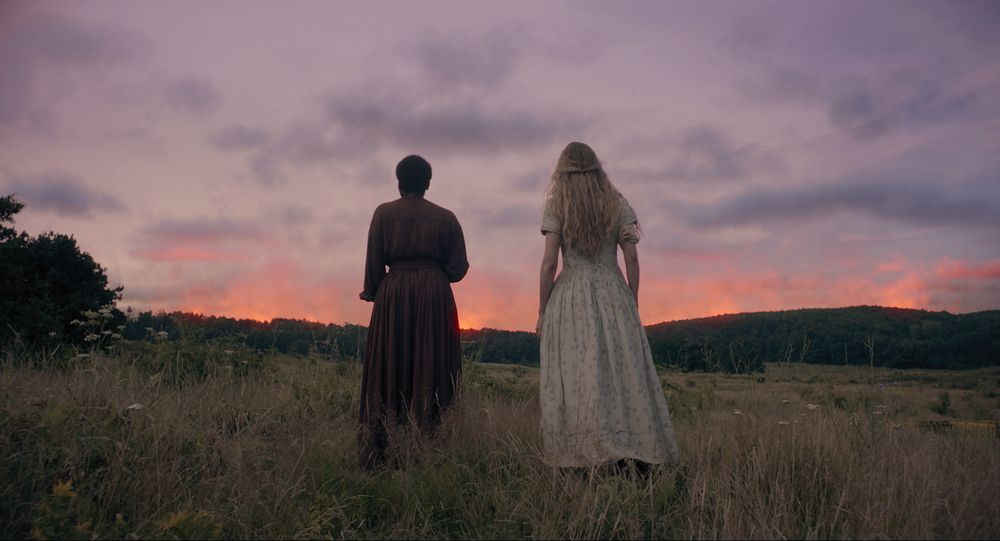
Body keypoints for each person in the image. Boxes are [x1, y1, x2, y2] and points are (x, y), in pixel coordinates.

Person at [536, 142, 678, 469]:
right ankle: (632, 448)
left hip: (570, 294)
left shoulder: (557, 205)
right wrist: (632, 299)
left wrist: (543, 310)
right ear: (597, 167)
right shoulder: (616, 202)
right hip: (613, 290)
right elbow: (631, 256)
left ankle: (581, 454)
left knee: (577, 372)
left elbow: (547, 265)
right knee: (620, 370)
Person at [358, 154, 469, 469]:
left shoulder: (383, 213)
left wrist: (375, 291)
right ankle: (432, 445)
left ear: (399, 181)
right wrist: (432, 275)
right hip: (435, 295)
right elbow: (458, 268)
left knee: (389, 363)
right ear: (428, 183)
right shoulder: (447, 218)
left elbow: (373, 265)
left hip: (393, 295)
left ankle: (382, 449)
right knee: (432, 363)